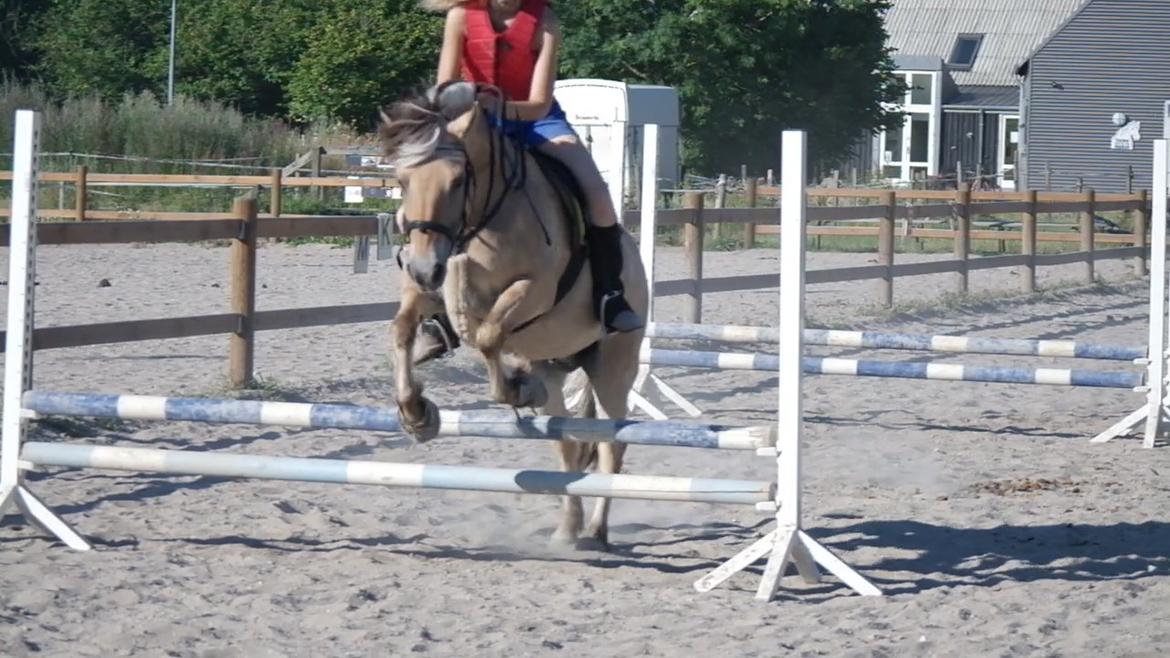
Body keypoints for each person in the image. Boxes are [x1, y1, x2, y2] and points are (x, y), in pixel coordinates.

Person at [410, 0, 643, 364]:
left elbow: (537, 102)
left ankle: (609, 295)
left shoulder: (544, 20)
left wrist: (495, 108)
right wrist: (468, 112)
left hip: (536, 121)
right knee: (433, 185)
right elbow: (444, 90)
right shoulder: (460, 17)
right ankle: (434, 309)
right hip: (473, 122)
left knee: (597, 193)